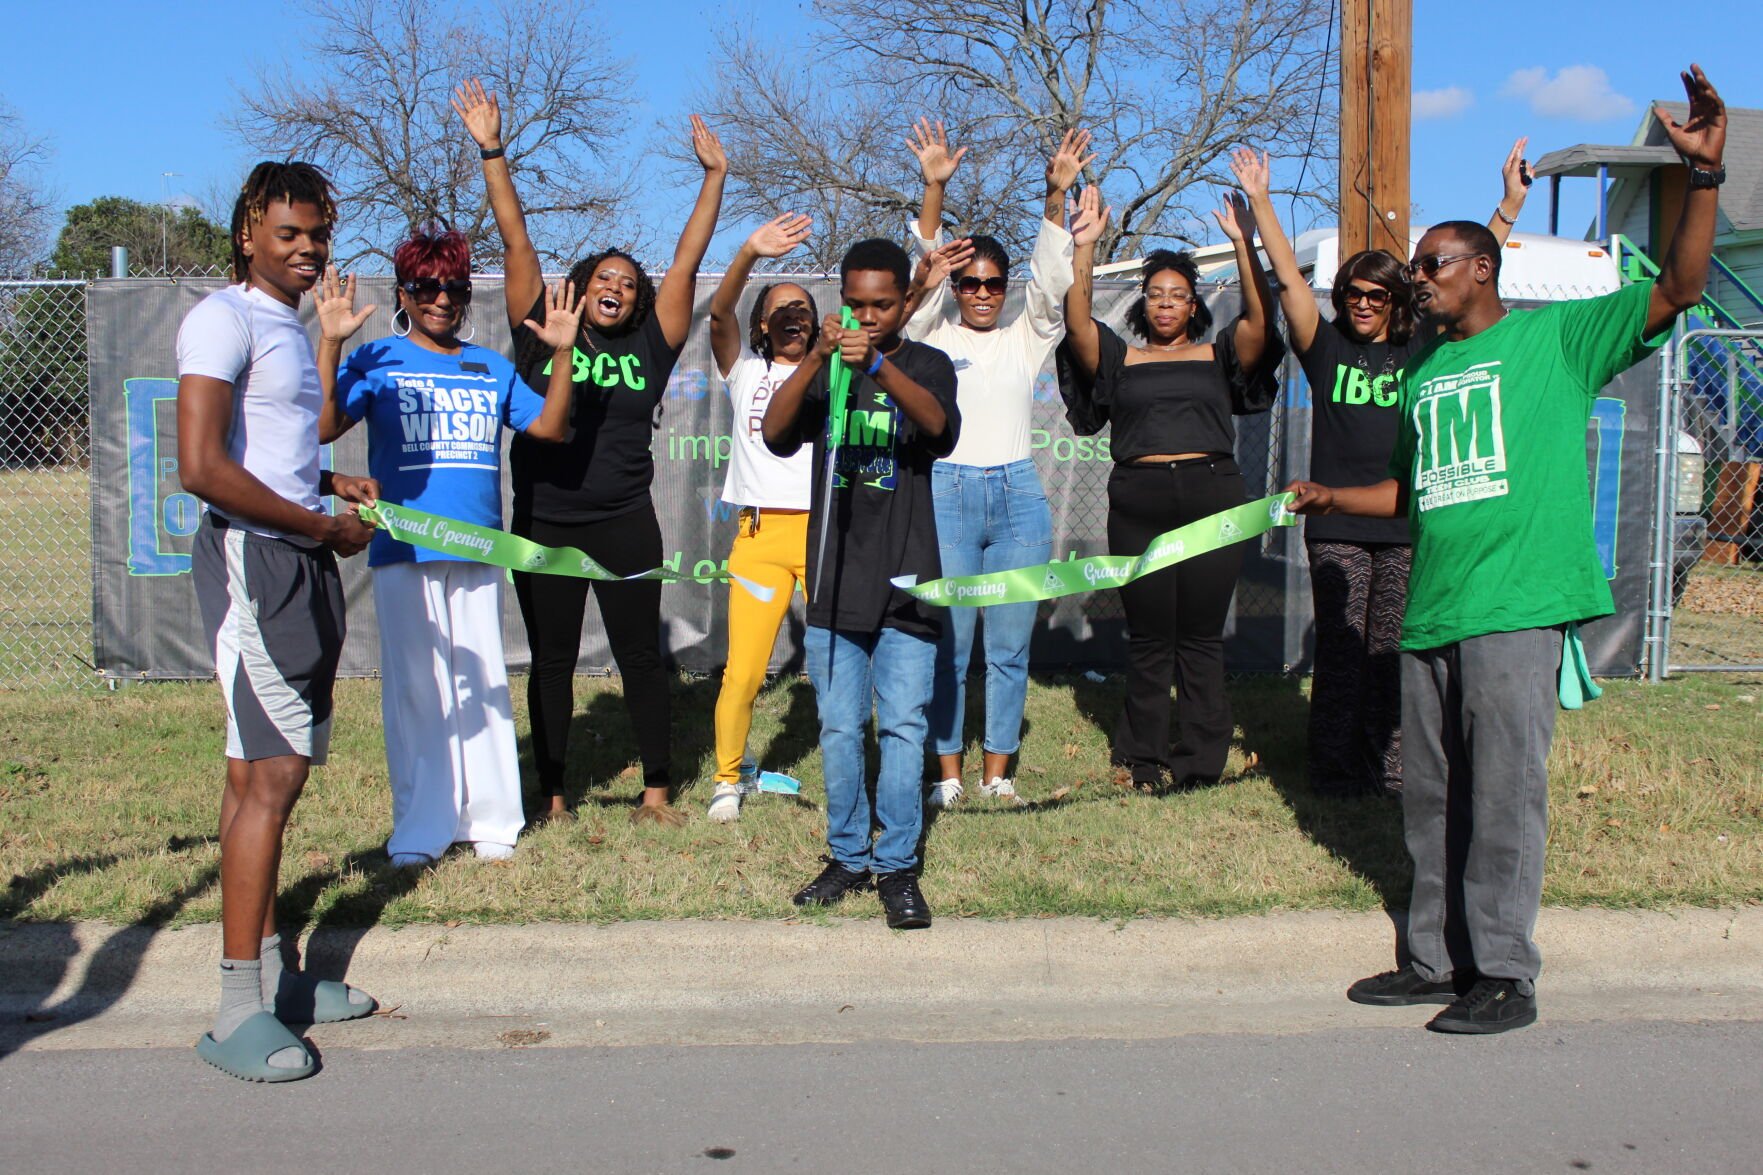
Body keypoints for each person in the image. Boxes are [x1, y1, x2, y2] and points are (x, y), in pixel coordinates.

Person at [1286, 66, 1726, 1034]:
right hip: (1432, 605)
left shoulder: (1555, 342)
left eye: (1427, 266)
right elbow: (1405, 489)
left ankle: (1504, 971)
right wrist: (1326, 493)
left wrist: (1700, 180)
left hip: (1515, 606)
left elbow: (1681, 289)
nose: (1413, 280)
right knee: (1429, 796)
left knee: (1502, 795)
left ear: (1477, 269)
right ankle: (1433, 956)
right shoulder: (1423, 370)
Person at [455, 79, 727, 826]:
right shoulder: (539, 321)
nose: (616, 287)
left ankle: (656, 792)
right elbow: (515, 239)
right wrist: (492, 150)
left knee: (641, 655)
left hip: (622, 519)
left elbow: (686, 259)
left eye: (627, 284)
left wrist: (713, 178)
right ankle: (549, 796)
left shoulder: (650, 341)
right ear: (577, 286)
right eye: (603, 277)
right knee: (550, 661)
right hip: (545, 519)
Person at [1233, 140, 1532, 796]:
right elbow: (1286, 279)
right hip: (1335, 524)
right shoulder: (1324, 345)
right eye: (1351, 292)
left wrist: (1508, 205)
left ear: (1396, 299)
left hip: (1402, 523)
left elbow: (1467, 269)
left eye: (1375, 293)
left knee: (1388, 652)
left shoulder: (1423, 348)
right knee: (1340, 656)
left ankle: (1390, 769)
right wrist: (1260, 205)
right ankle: (1333, 770)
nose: (1362, 303)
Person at [176, 161, 379, 1082]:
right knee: (272, 774)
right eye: (288, 233)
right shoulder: (220, 317)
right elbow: (201, 466)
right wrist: (318, 523)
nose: (307, 250)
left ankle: (276, 982)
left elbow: (279, 444)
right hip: (256, 562)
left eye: (318, 234)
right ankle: (235, 1011)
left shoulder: (288, 328)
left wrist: (328, 482)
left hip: (295, 554)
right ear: (249, 229)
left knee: (260, 773)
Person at [313, 228, 585, 866]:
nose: (441, 299)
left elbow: (550, 425)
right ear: (405, 292)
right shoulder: (375, 357)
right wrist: (329, 343)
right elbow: (322, 427)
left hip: (477, 548)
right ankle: (422, 827)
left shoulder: (489, 364)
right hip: (404, 549)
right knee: (417, 689)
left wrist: (565, 354)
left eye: (454, 288)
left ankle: (491, 820)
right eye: (426, 286)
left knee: (483, 680)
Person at [762, 238, 961, 930]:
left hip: (907, 579)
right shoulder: (828, 368)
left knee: (902, 726)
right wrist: (818, 357)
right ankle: (848, 855)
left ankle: (897, 865)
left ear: (906, 300)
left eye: (882, 304)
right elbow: (776, 433)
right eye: (856, 304)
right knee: (841, 726)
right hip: (835, 578)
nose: (868, 316)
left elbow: (937, 430)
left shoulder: (927, 362)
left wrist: (875, 362)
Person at [1057, 186, 1284, 792]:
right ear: (1142, 305)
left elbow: (1262, 318)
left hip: (1213, 494)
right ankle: (1143, 756)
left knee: (1201, 635)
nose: (1164, 304)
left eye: (1177, 296)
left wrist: (1243, 243)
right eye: (1154, 295)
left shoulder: (1219, 353)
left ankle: (1200, 761)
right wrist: (1086, 246)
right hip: (1139, 497)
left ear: (1193, 307)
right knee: (1152, 633)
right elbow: (1076, 317)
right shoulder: (1119, 359)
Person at [901, 119, 1086, 807]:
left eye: (991, 282)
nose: (980, 291)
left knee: (1008, 649)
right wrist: (932, 188)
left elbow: (1052, 279)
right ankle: (947, 777)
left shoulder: (1025, 338)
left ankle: (997, 775)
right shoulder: (929, 334)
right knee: (947, 646)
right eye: (970, 281)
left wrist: (1052, 196)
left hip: (1017, 501)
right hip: (945, 495)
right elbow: (922, 271)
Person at [704, 212, 817, 823]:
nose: (793, 316)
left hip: (824, 533)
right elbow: (718, 316)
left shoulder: (833, 371)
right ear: (763, 326)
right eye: (780, 310)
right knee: (744, 671)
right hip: (759, 535)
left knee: (841, 665)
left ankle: (858, 770)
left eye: (803, 307)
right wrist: (750, 251)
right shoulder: (744, 370)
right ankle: (728, 778)